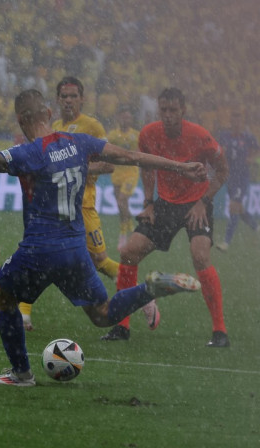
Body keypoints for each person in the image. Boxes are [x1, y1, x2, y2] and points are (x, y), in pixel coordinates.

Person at [0, 89, 205, 386]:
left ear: (21, 120)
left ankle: (22, 373)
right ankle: (150, 288)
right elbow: (130, 157)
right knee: (102, 314)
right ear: (49, 114)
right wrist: (181, 167)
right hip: (75, 249)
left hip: (39, 248)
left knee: (3, 299)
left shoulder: (30, 152)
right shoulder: (79, 143)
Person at [101, 88, 231, 347]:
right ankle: (122, 326)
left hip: (197, 204)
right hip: (165, 205)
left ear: (183, 110)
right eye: (164, 110)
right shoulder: (149, 134)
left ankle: (220, 332)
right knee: (129, 252)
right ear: (159, 110)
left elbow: (223, 170)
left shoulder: (201, 136)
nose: (168, 115)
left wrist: (203, 202)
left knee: (200, 256)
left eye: (173, 110)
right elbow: (147, 166)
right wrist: (148, 203)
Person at [19, 76, 145, 332]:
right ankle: (23, 313)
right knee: (41, 253)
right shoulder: (52, 125)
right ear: (57, 100)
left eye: (73, 96)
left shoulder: (92, 126)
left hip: (83, 204)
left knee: (97, 260)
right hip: (57, 206)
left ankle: (144, 296)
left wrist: (76, 165)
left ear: (82, 99)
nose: (68, 101)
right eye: (64, 96)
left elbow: (109, 164)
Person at [214, 107, 259, 251]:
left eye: (239, 120)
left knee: (233, 206)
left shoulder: (248, 137)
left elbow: (257, 149)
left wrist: (251, 158)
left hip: (242, 177)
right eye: (235, 120)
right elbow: (218, 150)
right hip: (230, 177)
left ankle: (226, 242)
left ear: (242, 122)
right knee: (239, 208)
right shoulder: (225, 136)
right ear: (231, 122)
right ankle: (256, 226)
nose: (237, 123)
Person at [108, 106, 141, 250]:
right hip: (116, 172)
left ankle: (123, 235)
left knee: (122, 200)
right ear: (118, 118)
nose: (125, 119)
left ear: (131, 119)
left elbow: (140, 152)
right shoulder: (113, 135)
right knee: (121, 205)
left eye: (128, 117)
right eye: (123, 117)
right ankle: (131, 227)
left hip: (131, 173)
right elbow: (107, 149)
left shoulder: (137, 135)